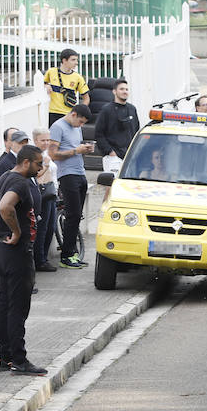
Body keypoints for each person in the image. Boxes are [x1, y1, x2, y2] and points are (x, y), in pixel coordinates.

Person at [0, 145, 47, 376]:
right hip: (17, 252)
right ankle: (19, 359)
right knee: (18, 307)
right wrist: (15, 232)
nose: (41, 168)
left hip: (4, 251)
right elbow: (5, 206)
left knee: (6, 305)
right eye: (38, 163)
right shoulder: (20, 182)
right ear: (26, 162)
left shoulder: (6, 177)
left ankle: (5, 357)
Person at [48, 104, 94, 269]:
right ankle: (66, 255)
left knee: (77, 216)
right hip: (67, 175)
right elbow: (52, 154)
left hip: (80, 172)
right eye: (80, 121)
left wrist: (84, 150)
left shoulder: (77, 128)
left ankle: (73, 253)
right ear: (73, 114)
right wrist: (75, 151)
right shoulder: (58, 127)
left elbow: (75, 149)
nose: (80, 125)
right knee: (72, 215)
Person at [94, 78, 140, 174]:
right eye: (122, 89)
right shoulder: (106, 110)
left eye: (126, 89)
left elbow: (136, 131)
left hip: (129, 156)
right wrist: (110, 152)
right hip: (113, 157)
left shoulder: (132, 109)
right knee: (111, 186)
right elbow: (98, 134)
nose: (125, 92)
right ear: (114, 91)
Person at [32, 127, 59, 272]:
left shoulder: (45, 153)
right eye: (43, 140)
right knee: (42, 229)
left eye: (48, 140)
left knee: (51, 227)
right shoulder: (35, 155)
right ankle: (40, 260)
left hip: (51, 192)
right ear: (35, 140)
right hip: (42, 194)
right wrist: (46, 164)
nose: (46, 143)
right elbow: (34, 175)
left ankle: (43, 258)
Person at [44, 48, 90, 127]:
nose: (76, 63)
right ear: (64, 60)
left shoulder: (78, 77)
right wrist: (46, 85)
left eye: (76, 60)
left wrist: (79, 111)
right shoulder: (51, 72)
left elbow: (86, 98)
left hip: (68, 115)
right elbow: (41, 84)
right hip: (52, 112)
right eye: (73, 60)